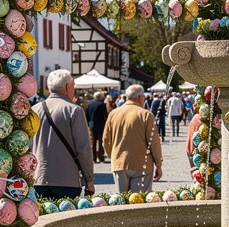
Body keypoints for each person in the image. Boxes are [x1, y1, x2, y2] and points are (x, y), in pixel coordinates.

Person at [30, 70, 95, 199]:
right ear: (67, 87)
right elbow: (83, 149)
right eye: (73, 85)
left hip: (38, 177)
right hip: (67, 179)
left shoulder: (34, 110)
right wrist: (89, 179)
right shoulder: (74, 110)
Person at [103, 83, 163, 194]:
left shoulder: (113, 114)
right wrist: (158, 164)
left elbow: (106, 140)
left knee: (122, 201)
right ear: (140, 98)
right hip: (142, 164)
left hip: (119, 163)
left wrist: (114, 157)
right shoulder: (146, 115)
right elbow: (154, 142)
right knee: (139, 203)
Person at [87, 90, 109, 164]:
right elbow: (105, 115)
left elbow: (87, 114)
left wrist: (88, 123)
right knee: (101, 142)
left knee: (92, 143)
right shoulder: (102, 104)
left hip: (91, 125)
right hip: (101, 125)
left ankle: (93, 159)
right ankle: (101, 158)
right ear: (99, 97)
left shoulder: (90, 104)